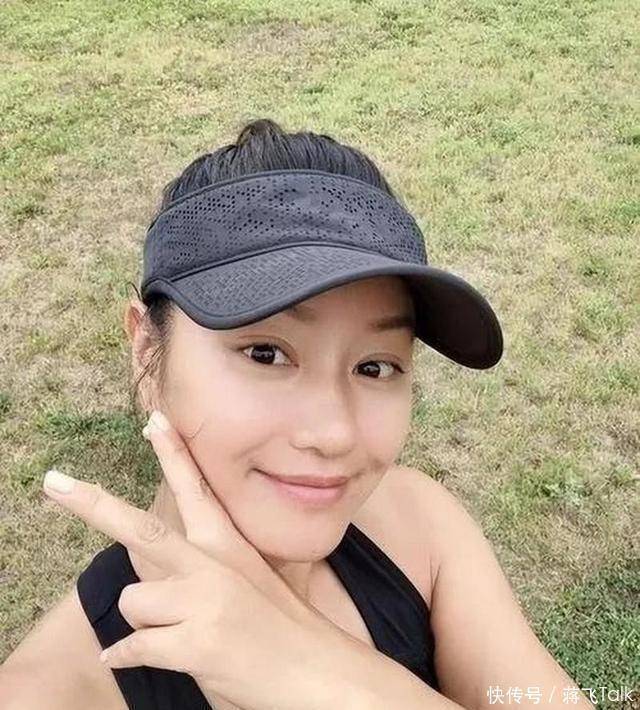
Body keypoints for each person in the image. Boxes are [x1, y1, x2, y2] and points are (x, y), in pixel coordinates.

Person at [0, 118, 593, 710]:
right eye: (266, 353)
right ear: (147, 352)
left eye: (375, 366)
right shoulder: (48, 695)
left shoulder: (422, 531)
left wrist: (319, 671)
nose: (334, 434)